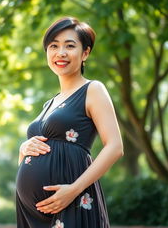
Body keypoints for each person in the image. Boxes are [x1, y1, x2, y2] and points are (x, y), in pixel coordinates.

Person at [16, 17, 124, 228]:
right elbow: (28, 160)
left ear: (85, 53)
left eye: (70, 45)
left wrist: (73, 190)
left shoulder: (93, 90)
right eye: (53, 46)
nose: (61, 53)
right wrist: (23, 149)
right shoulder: (50, 103)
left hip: (72, 202)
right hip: (33, 213)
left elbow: (115, 147)